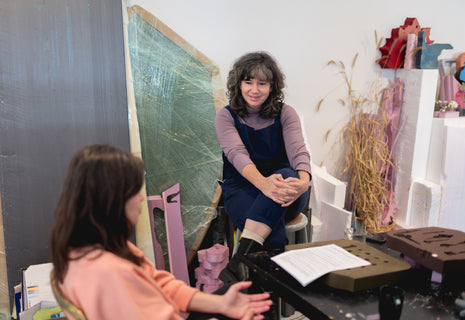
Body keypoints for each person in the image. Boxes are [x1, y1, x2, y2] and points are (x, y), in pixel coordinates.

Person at [49, 144, 272, 320]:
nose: (140, 199)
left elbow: (157, 283)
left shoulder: (91, 246)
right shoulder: (109, 273)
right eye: (135, 192)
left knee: (240, 293)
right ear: (111, 201)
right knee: (254, 299)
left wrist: (220, 305)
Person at [215, 52, 311, 281]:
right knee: (269, 228)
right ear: (238, 84)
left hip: (287, 190)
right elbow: (237, 155)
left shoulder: (286, 113)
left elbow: (299, 151)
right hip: (242, 186)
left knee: (286, 175)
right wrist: (263, 184)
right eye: (248, 82)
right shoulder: (225, 117)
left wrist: (304, 184)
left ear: (272, 87)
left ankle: (238, 265)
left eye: (262, 83)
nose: (254, 90)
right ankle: (268, 300)